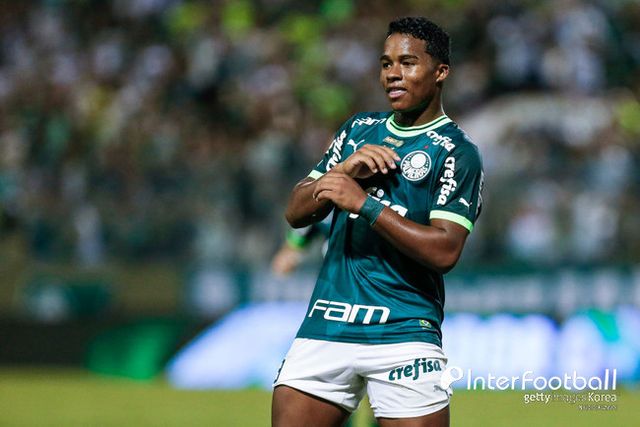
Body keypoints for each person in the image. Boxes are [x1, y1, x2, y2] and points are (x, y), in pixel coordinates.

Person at [272, 17, 484, 427]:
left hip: (404, 333)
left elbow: (445, 250)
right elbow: (296, 212)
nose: (392, 74)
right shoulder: (358, 130)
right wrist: (342, 172)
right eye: (386, 63)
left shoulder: (457, 152)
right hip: (326, 327)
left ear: (440, 72)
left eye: (408, 63)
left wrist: (364, 204)